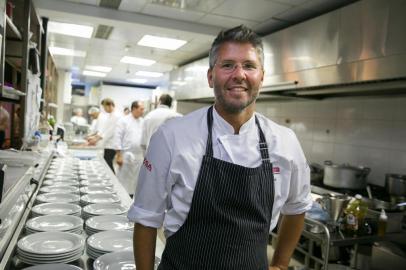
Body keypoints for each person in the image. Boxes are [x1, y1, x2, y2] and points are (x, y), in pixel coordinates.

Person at [128, 25, 312, 270]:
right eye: (227, 65)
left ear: (262, 76)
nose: (239, 74)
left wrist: (280, 263)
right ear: (210, 76)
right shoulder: (172, 137)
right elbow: (146, 219)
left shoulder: (285, 141)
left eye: (249, 65)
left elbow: (297, 207)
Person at [112, 101, 145, 196]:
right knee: (124, 180)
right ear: (134, 109)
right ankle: (121, 199)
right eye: (141, 109)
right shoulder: (123, 121)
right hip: (126, 155)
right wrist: (119, 155)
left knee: (136, 182)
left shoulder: (143, 122)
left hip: (139, 156)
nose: (143, 111)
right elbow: (117, 138)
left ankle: (132, 201)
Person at [87, 98, 119, 172]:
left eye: (105, 107)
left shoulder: (116, 116)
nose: (104, 109)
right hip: (108, 144)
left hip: (112, 145)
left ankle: (112, 181)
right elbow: (104, 129)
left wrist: (96, 139)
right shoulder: (110, 115)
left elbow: (110, 131)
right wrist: (95, 137)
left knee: (108, 164)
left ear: (110, 105)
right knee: (107, 163)